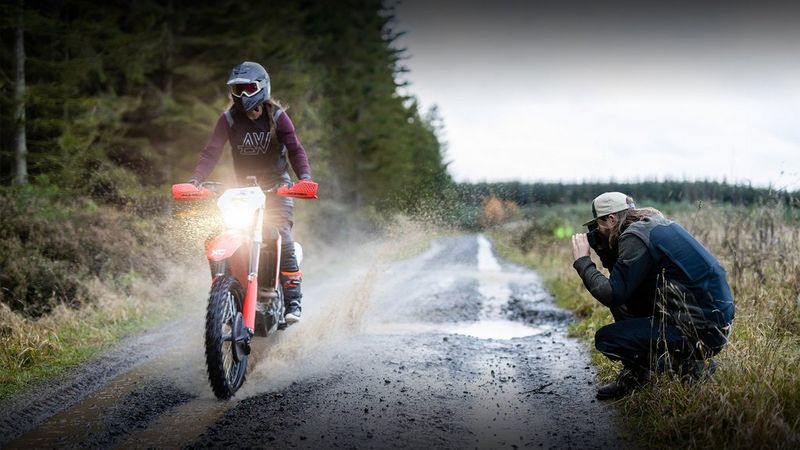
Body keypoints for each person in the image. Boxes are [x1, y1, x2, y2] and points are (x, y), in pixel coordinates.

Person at [570, 192, 735, 399]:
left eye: (598, 225)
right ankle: (646, 370)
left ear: (611, 219)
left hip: (700, 334)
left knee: (607, 339)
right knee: (627, 301)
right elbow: (623, 286)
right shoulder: (651, 225)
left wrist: (582, 261)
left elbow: (612, 294)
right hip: (715, 327)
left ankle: (688, 366)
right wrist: (603, 247)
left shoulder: (634, 236)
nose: (596, 231)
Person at [190, 61, 312, 324]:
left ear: (261, 87)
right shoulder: (229, 119)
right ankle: (223, 290)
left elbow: (295, 149)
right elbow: (211, 152)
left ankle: (293, 300)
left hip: (277, 189)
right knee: (216, 234)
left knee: (281, 234)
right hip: (242, 192)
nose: (243, 95)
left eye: (248, 88)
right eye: (237, 89)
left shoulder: (277, 117)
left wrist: (304, 179)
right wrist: (195, 181)